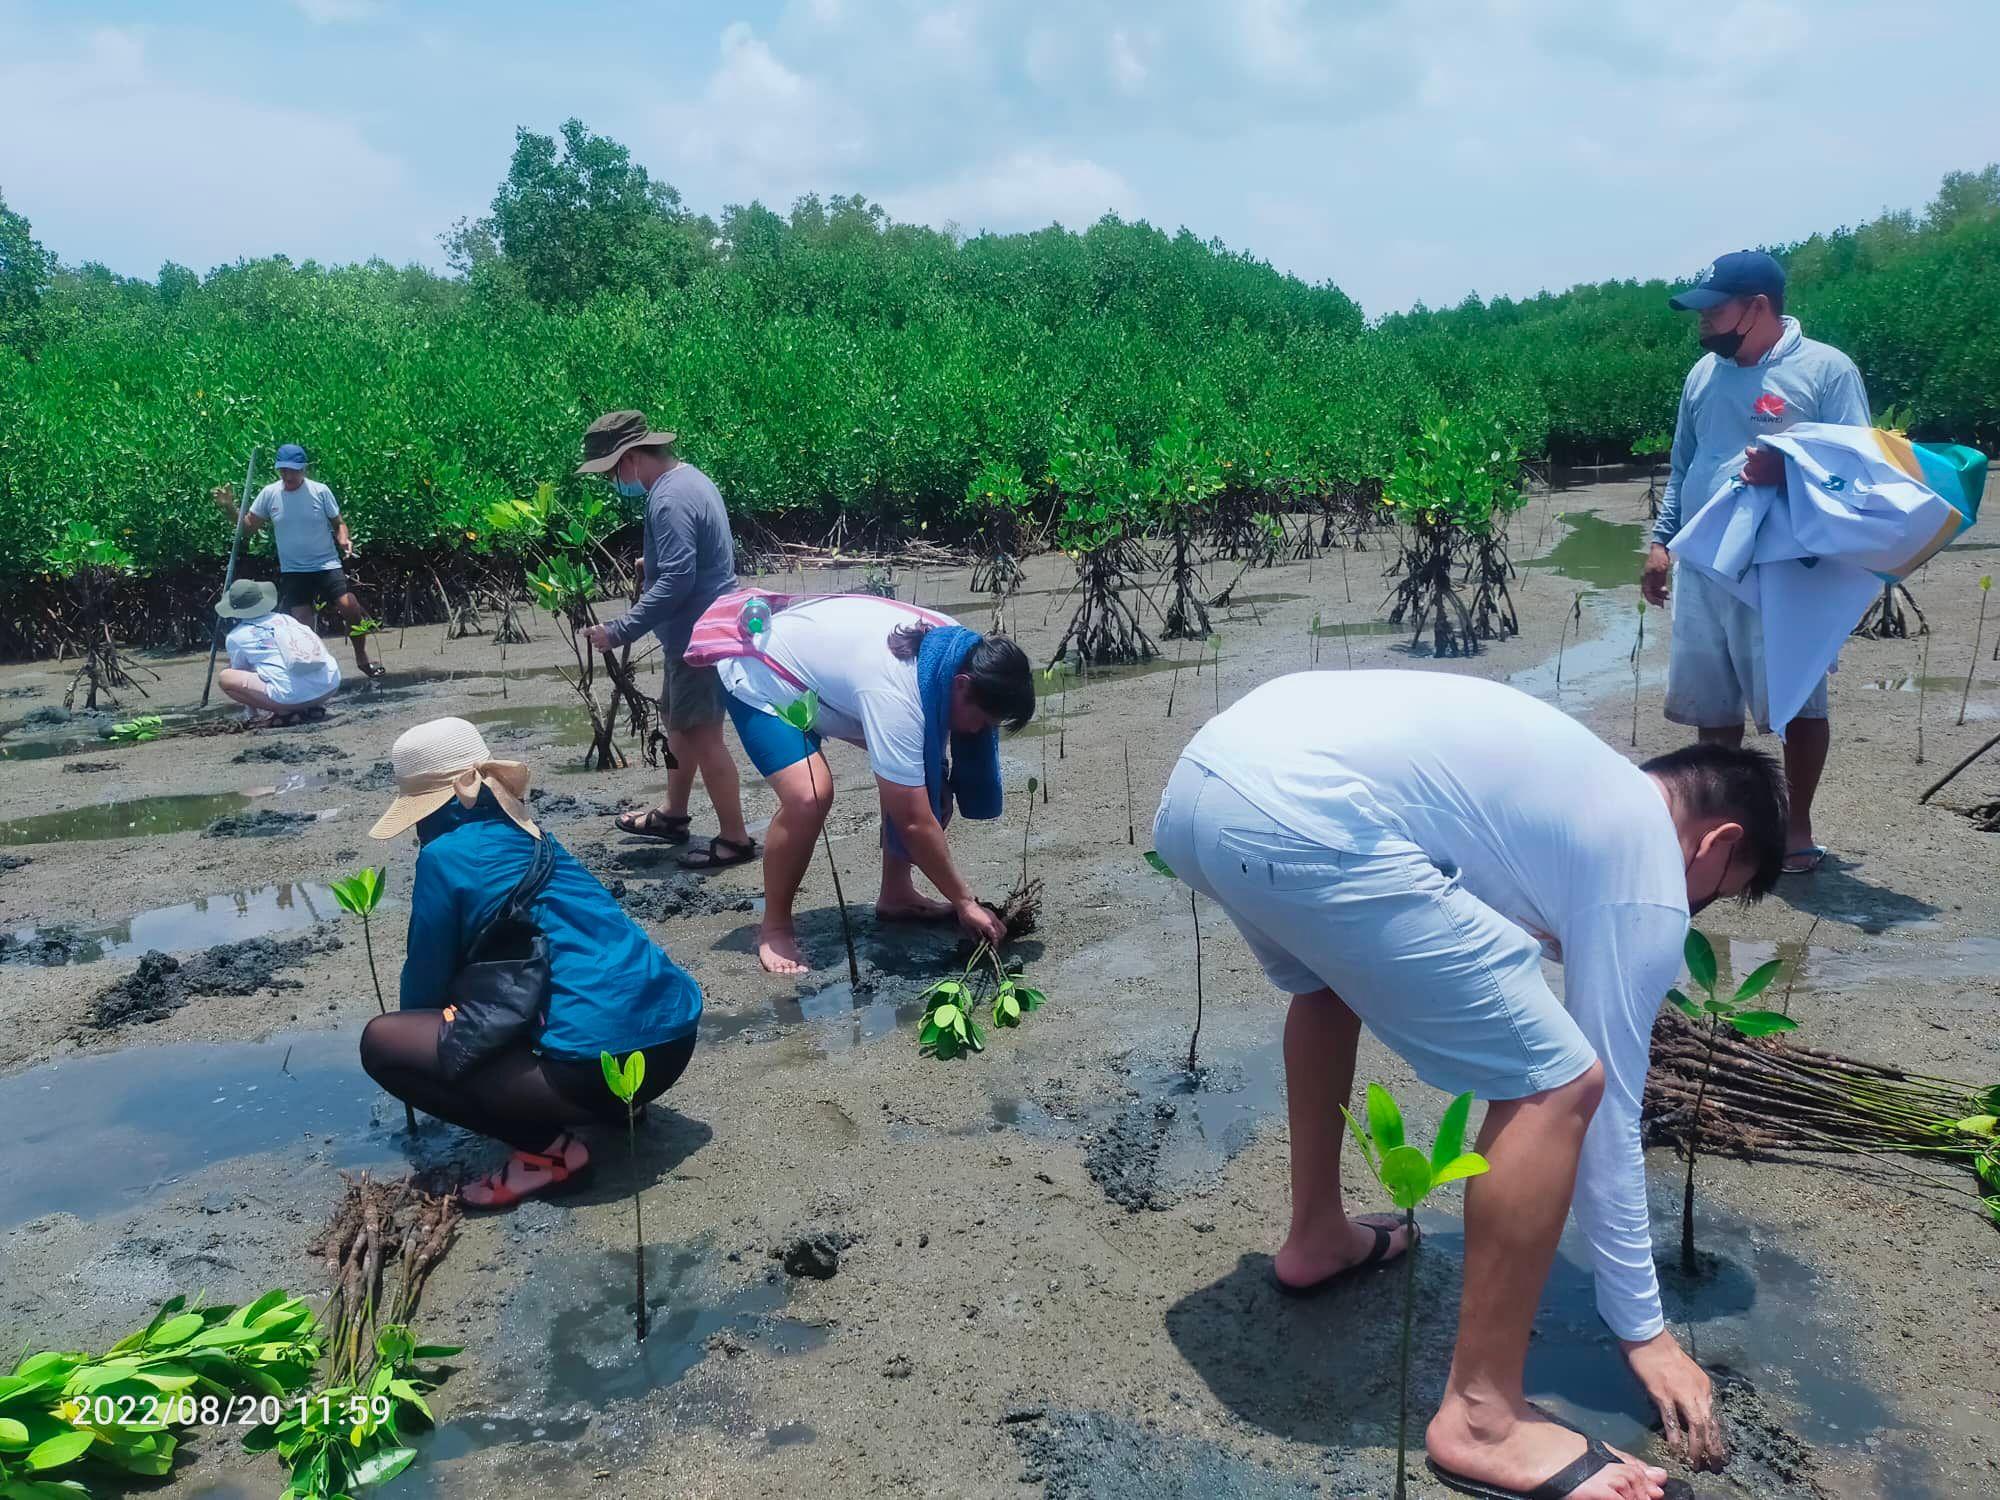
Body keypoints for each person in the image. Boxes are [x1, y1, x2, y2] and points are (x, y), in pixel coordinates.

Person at [1153, 671, 1788, 1500]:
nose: (1692, 909)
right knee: (1559, 1085)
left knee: (1325, 986)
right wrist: (1644, 1331)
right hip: (1305, 812)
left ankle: (1317, 1236)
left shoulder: (1579, 787)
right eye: (1719, 896)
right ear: (1717, 845)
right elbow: (1604, 1105)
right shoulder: (1648, 861)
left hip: (1207, 786)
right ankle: (1483, 1418)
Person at [357, 716, 703, 1209]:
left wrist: (440, 1036)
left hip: (592, 1071)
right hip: (673, 1043)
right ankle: (623, 1108)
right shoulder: (535, 834)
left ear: (429, 808)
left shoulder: (443, 856)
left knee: (383, 1041)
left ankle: (549, 1155)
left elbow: (422, 994)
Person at [1638, 251, 1870, 875]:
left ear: (1757, 308)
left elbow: (1861, 471)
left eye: (1714, 311)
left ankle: (1797, 828)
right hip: (1703, 563)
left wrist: (1789, 470)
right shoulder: (1702, 376)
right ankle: (1727, 829)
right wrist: (1662, 543)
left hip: (1784, 568)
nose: (1703, 323)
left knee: (1797, 704)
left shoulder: (1826, 370)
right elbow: (1684, 463)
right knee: (1712, 712)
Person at [702, 592, 1032, 974]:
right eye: (982, 720)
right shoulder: (895, 694)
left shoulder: (955, 646)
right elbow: (912, 821)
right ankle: (775, 926)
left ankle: (897, 895)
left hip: (829, 677)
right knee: (809, 795)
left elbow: (918, 791)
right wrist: (964, 901)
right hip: (764, 672)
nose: (977, 732)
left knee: (925, 782)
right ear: (961, 686)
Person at [574, 410, 755, 870]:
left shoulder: (668, 499)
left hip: (699, 637)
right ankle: (673, 815)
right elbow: (687, 562)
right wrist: (647, 566)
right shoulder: (688, 479)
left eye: (613, 471)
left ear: (631, 458)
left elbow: (677, 579)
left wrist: (618, 631)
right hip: (697, 632)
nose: (614, 480)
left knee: (703, 736)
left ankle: (735, 839)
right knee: (678, 724)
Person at [212, 443, 382, 678]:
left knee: (348, 605)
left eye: (293, 470)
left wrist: (344, 540)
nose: (288, 476)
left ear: (304, 469)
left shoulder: (320, 491)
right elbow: (248, 528)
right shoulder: (270, 493)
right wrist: (229, 507)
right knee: (302, 625)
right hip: (294, 570)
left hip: (326, 564)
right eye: (283, 470)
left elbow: (338, 523)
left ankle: (361, 656)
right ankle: (318, 672)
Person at [212, 578, 341, 725]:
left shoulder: (236, 636)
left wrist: (251, 713)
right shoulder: (287, 619)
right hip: (329, 686)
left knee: (226, 677)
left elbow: (242, 670)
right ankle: (313, 707)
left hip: (291, 698)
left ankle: (284, 712)